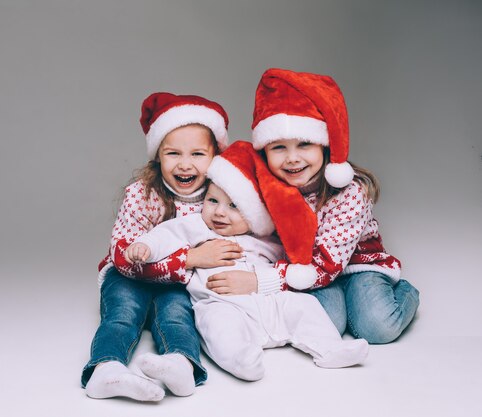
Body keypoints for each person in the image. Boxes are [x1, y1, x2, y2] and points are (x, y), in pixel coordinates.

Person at [126, 141, 369, 381]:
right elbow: (167, 235)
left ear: (256, 213)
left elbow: (293, 263)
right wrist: (145, 246)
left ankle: (331, 348)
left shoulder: (265, 237)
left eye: (234, 206)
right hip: (222, 304)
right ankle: (241, 359)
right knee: (217, 326)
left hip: (270, 303)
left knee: (305, 306)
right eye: (212, 201)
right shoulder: (199, 226)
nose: (220, 212)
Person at [228, 67, 419, 344]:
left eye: (304, 144)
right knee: (323, 326)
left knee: (377, 327)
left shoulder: (350, 193)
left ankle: (406, 292)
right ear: (264, 151)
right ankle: (339, 300)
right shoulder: (268, 187)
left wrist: (260, 281)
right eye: (279, 147)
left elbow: (329, 264)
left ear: (325, 146)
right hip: (302, 268)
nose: (292, 159)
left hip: (355, 265)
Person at [82, 92, 239, 401]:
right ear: (157, 156)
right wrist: (190, 258)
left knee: (176, 315)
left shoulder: (221, 197)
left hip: (179, 285)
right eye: (173, 154)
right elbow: (121, 255)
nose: (184, 164)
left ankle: (180, 364)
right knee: (122, 314)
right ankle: (106, 370)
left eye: (197, 154)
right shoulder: (142, 193)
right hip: (127, 277)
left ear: (216, 156)